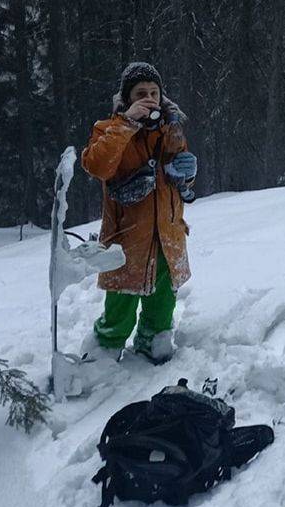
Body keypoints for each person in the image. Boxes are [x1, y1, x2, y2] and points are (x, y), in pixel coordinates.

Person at [80, 62, 197, 365]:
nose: (148, 98)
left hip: (168, 235)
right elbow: (97, 165)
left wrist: (187, 173)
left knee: (162, 301)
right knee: (120, 303)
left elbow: (177, 179)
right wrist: (127, 124)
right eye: (141, 93)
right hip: (127, 239)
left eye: (154, 92)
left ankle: (153, 343)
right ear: (127, 98)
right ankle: (103, 353)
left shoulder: (171, 130)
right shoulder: (108, 129)